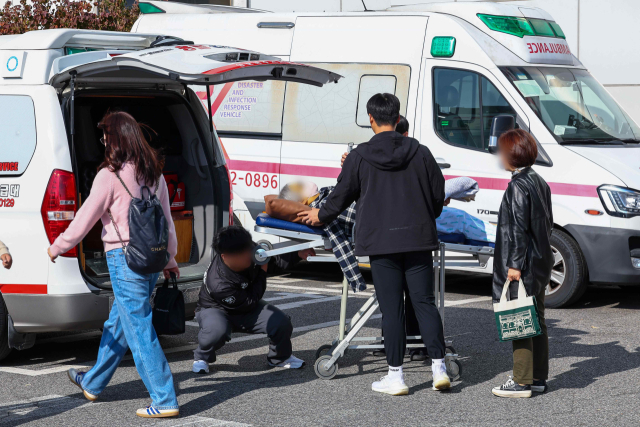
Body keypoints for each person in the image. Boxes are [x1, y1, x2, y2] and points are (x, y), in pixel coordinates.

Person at [299, 94, 449, 395]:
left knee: (392, 309)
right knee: (424, 303)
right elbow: (437, 197)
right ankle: (439, 368)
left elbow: (340, 195)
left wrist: (320, 213)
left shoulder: (360, 155)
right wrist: (424, 217)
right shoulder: (421, 152)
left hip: (381, 242)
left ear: (371, 119)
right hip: (418, 239)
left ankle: (396, 377)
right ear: (397, 118)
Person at [49, 111, 180, 418]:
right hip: (150, 258)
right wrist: (170, 257)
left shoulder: (110, 175)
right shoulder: (154, 173)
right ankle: (93, 382)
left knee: (138, 330)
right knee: (119, 323)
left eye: (105, 135)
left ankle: (164, 399)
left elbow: (85, 218)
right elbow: (166, 221)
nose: (103, 140)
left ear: (116, 138)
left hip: (124, 260)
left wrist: (58, 246)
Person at [192, 226, 310, 374]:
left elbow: (272, 259)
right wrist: (263, 270)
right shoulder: (218, 283)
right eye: (243, 254)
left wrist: (298, 254)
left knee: (281, 322)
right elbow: (251, 301)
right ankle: (202, 356)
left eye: (249, 249)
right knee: (216, 330)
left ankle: (280, 358)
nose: (249, 255)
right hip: (215, 308)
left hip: (246, 303)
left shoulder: (248, 248)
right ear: (225, 257)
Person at [491, 129, 553, 399]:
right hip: (540, 261)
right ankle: (537, 378)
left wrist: (514, 265)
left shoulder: (517, 185)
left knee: (519, 319)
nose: (499, 156)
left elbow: (517, 229)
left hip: (522, 264)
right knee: (536, 319)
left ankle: (521, 381)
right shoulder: (538, 180)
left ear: (512, 155)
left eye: (502, 151)